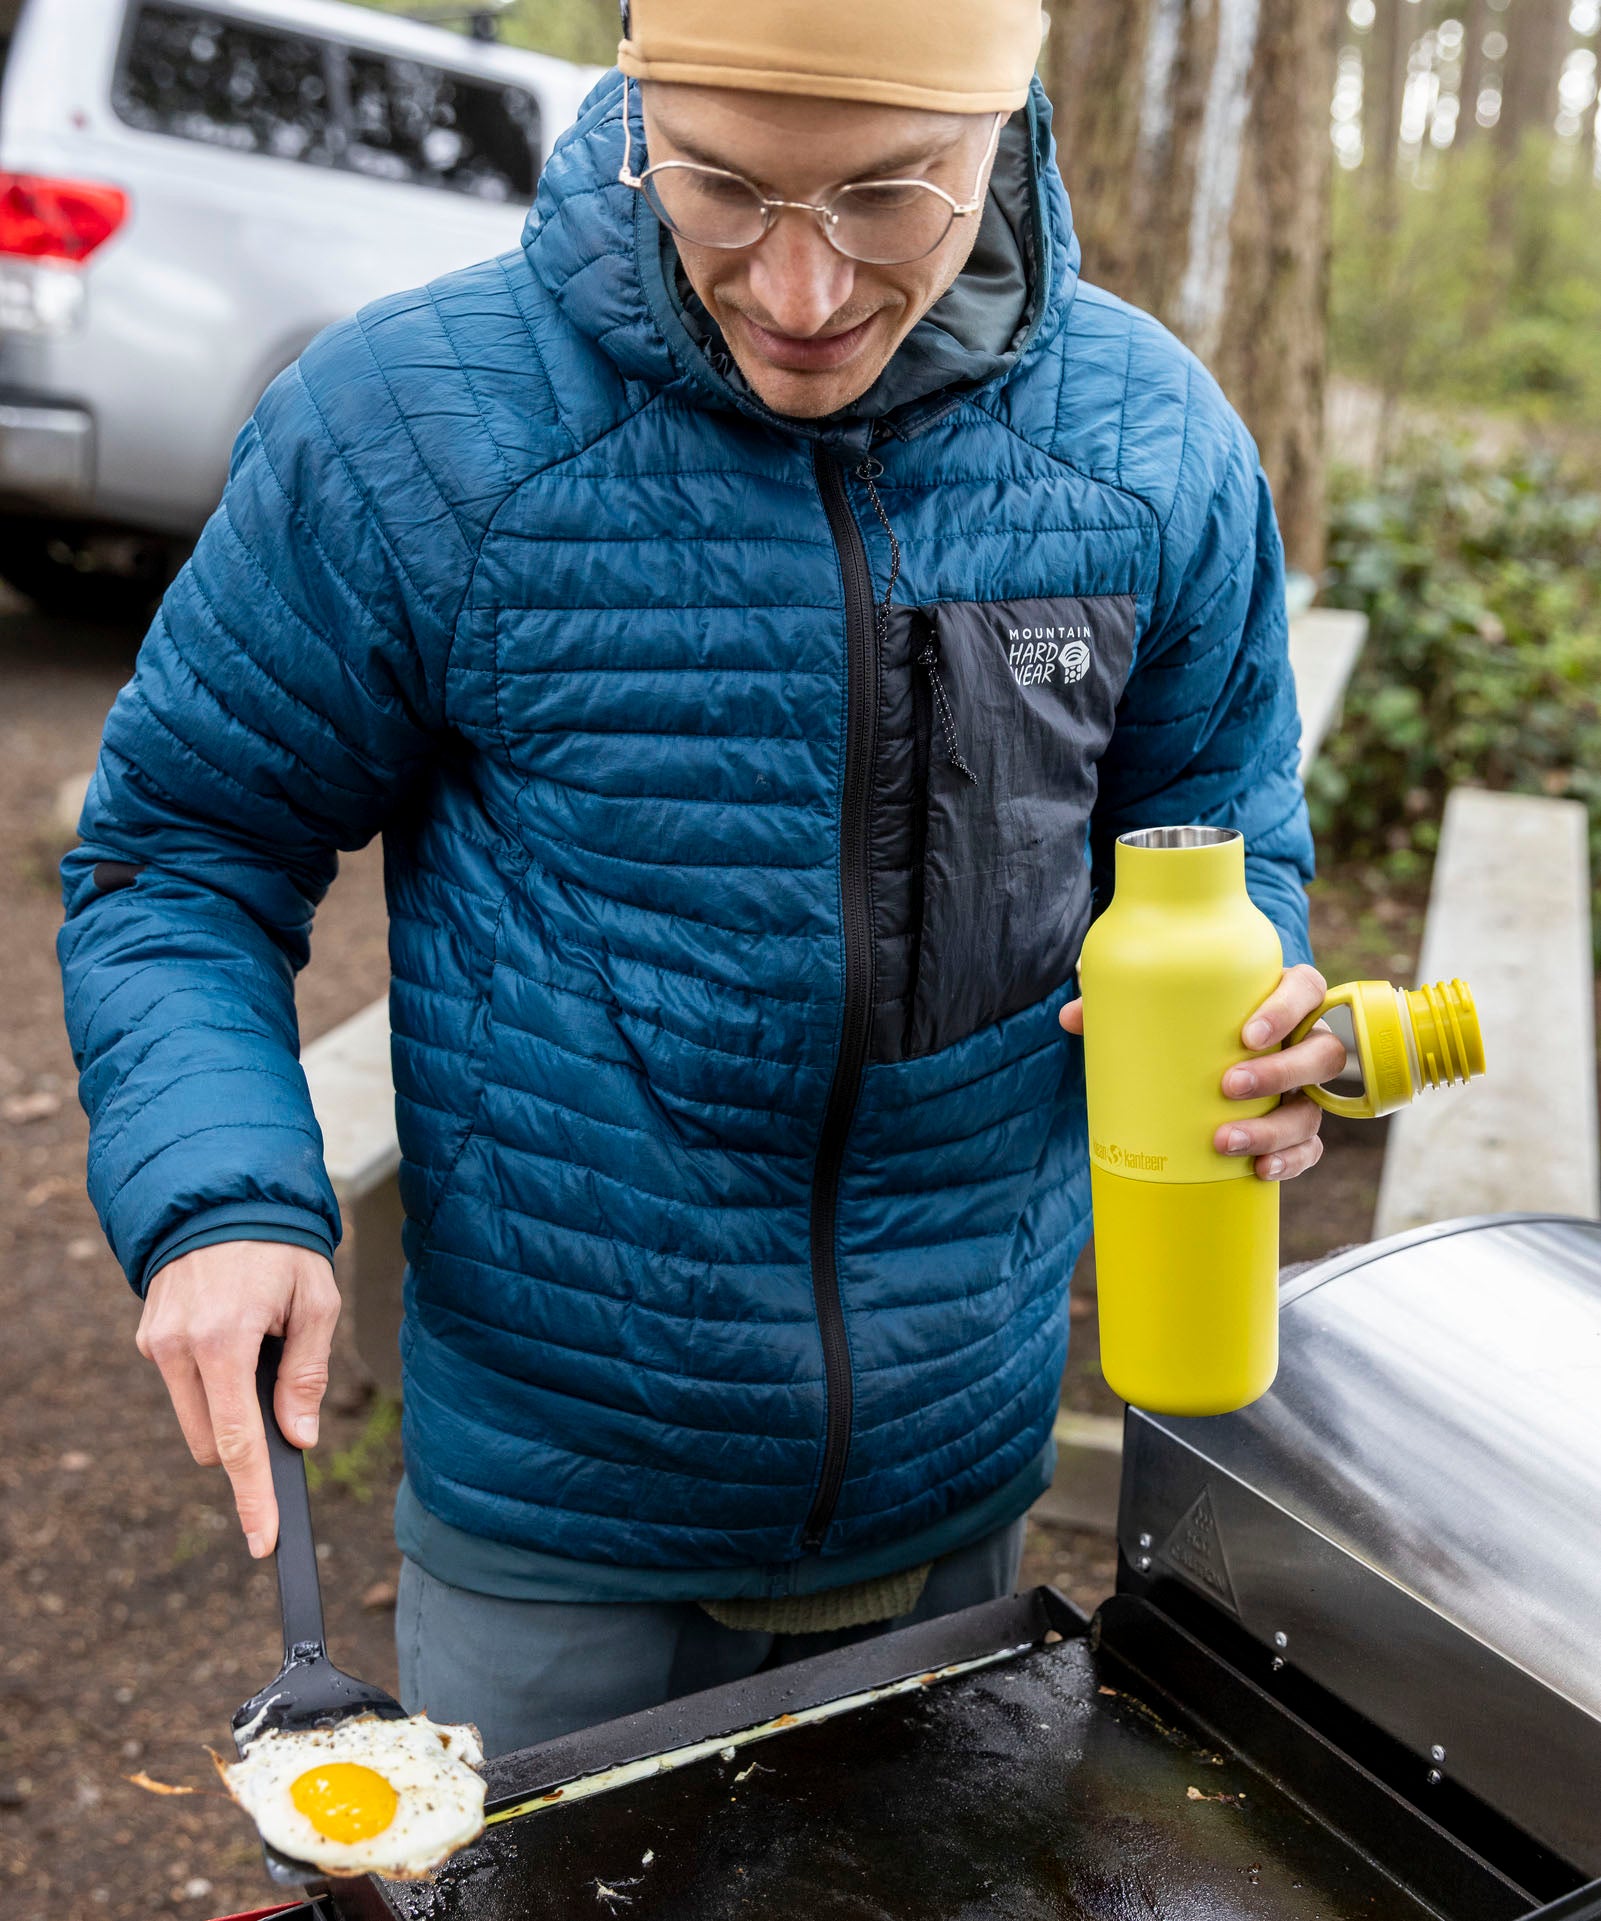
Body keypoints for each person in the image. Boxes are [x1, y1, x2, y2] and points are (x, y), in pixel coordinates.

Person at [59, 0, 1345, 1757]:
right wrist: (221, 1198)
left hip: (958, 1467)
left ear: (1006, 130)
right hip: (559, 1510)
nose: (798, 292)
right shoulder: (411, 428)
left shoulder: (1150, 447)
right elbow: (182, 850)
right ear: (636, 98)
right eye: (723, 188)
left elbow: (1217, 822)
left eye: (890, 197)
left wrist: (1259, 994)